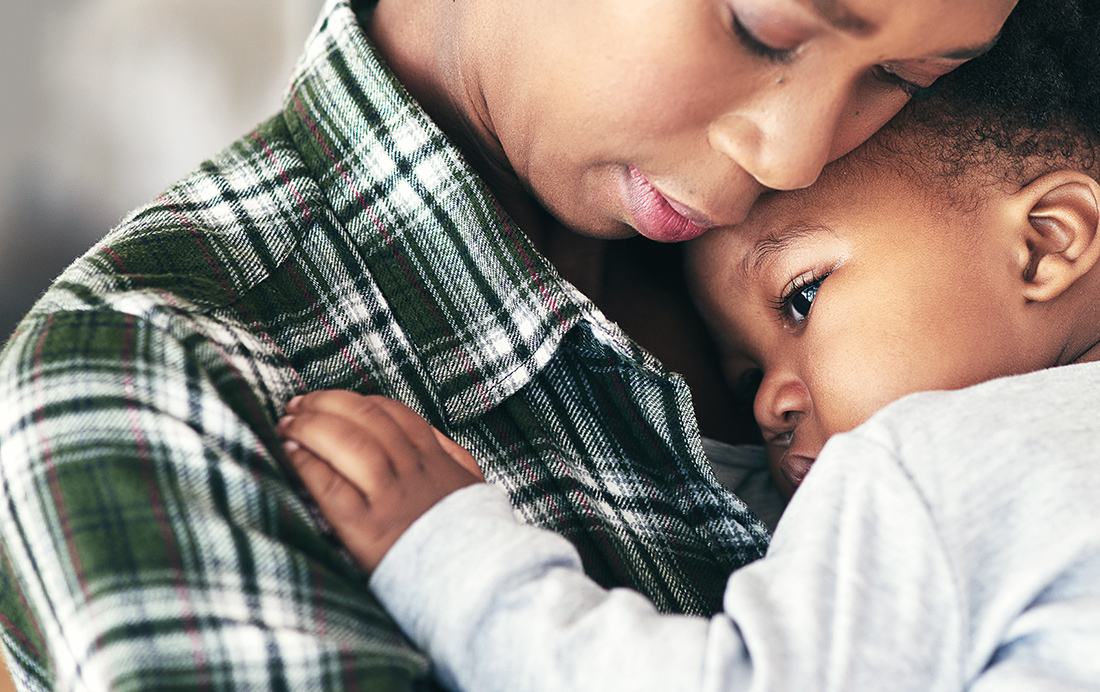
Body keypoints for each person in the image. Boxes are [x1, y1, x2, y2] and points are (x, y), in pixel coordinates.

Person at [0, 0, 1023, 689]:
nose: (790, 152)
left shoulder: (981, 195)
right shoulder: (158, 376)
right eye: (760, 25)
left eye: (904, 73)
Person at [276, 22, 1100, 691]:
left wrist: (450, 558)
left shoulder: (938, 464)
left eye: (802, 296)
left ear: (1044, 243)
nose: (764, 409)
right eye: (744, 375)